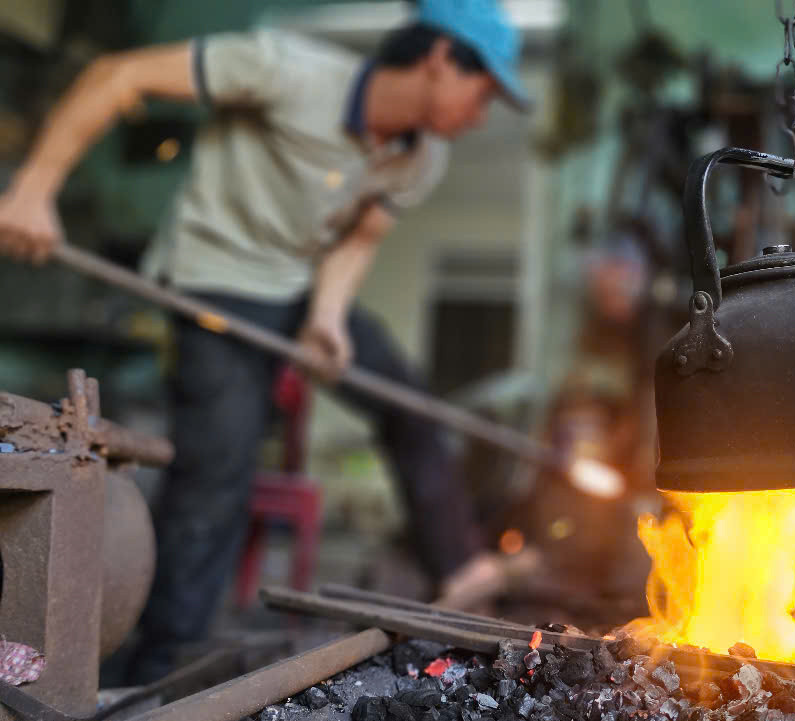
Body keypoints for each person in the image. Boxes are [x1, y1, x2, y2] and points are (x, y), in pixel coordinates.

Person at [0, 0, 530, 683]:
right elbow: (115, 76)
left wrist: (330, 316)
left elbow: (359, 237)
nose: (482, 113)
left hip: (298, 287)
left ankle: (462, 569)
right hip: (213, 279)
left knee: (408, 401)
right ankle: (160, 668)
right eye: (482, 91)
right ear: (438, 59)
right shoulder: (285, 69)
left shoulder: (422, 158)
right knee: (220, 468)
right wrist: (35, 188)